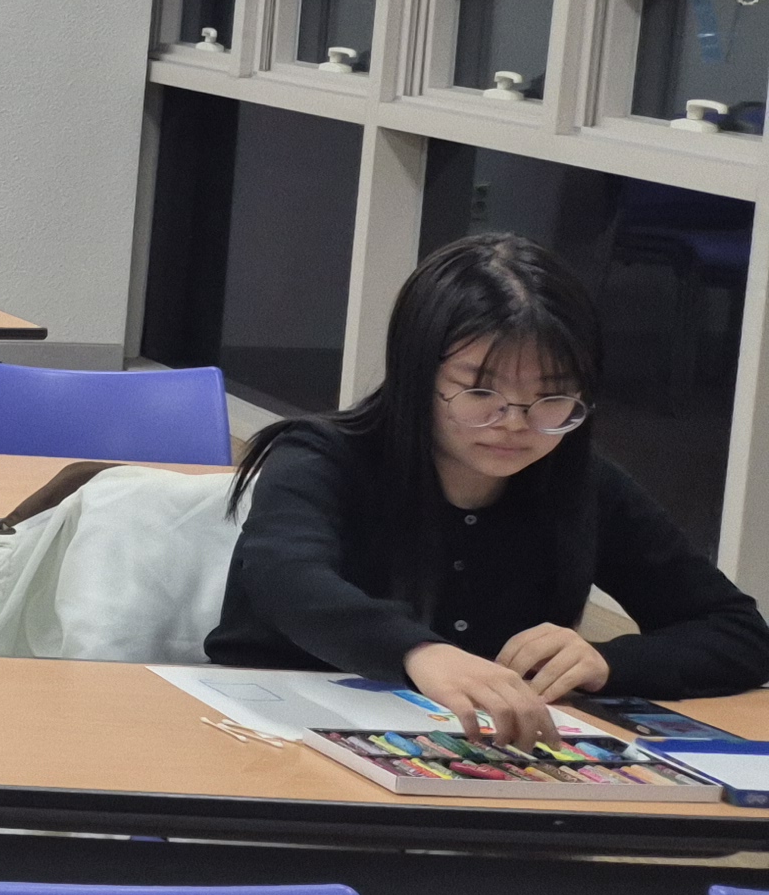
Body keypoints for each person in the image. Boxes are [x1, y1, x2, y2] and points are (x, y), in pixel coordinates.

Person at [210, 233, 769, 738]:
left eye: (552, 398)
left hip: (468, 755)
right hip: (271, 735)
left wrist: (609, 662)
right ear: (416, 377)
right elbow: (286, 582)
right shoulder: (320, 458)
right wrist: (418, 651)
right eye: (480, 394)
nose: (515, 423)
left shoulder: (582, 481)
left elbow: (738, 631)